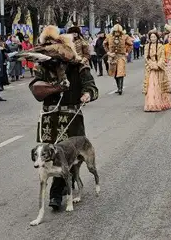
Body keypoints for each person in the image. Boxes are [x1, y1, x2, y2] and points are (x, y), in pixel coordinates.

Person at [30, 27, 99, 211]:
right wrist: (55, 88)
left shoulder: (78, 64)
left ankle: (57, 192)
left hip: (71, 118)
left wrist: (87, 94)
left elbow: (92, 87)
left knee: (65, 156)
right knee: (49, 155)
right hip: (49, 120)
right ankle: (58, 191)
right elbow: (36, 90)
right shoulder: (43, 67)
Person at [143, 31, 171, 112]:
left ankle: (161, 103)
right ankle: (151, 104)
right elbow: (146, 57)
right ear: (149, 38)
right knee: (151, 87)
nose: (152, 38)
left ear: (157, 38)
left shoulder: (161, 46)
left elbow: (162, 57)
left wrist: (157, 65)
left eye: (154, 37)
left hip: (158, 69)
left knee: (160, 86)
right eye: (151, 37)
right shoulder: (146, 46)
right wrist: (151, 65)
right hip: (151, 69)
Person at [103, 24, 133, 95]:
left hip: (121, 56)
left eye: (118, 32)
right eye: (116, 32)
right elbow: (104, 44)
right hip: (112, 57)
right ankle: (118, 86)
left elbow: (131, 44)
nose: (117, 33)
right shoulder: (109, 36)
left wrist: (127, 52)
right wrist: (108, 52)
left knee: (120, 71)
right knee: (114, 73)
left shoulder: (125, 37)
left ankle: (120, 88)